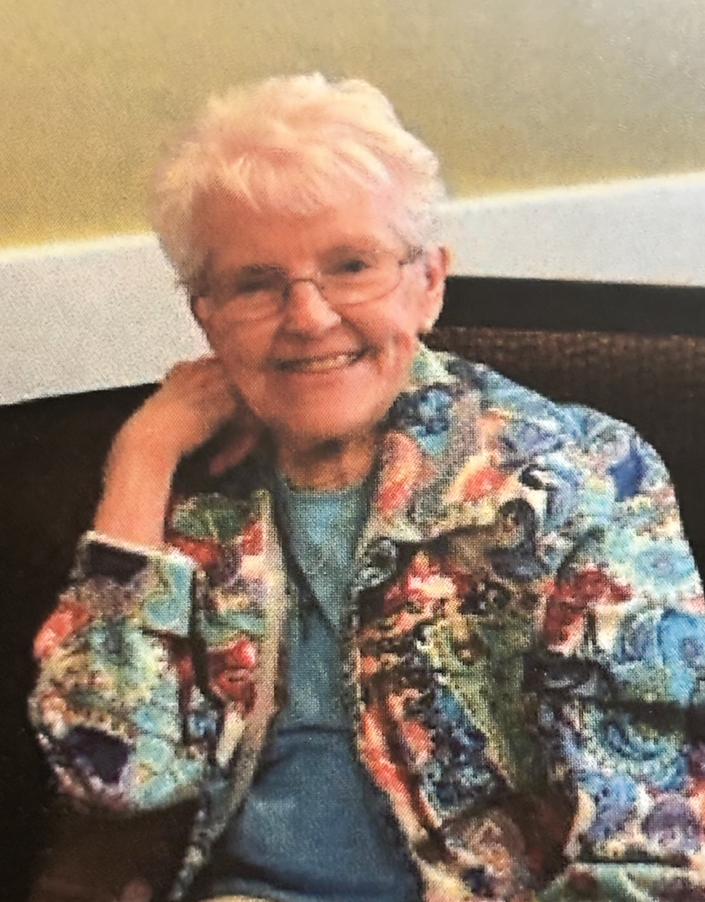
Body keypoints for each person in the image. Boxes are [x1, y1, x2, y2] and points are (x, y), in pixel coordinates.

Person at [30, 73, 705, 902]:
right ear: (206, 314)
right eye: (255, 283)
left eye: (351, 266)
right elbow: (109, 773)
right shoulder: (189, 493)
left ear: (428, 283)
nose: (309, 317)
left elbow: (649, 846)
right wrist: (140, 461)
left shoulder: (580, 478)